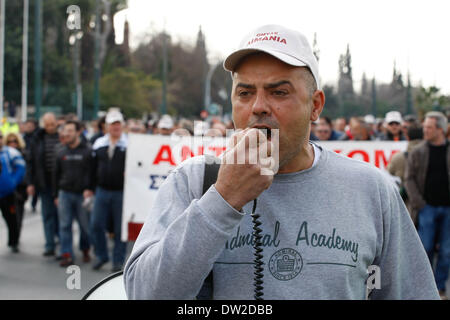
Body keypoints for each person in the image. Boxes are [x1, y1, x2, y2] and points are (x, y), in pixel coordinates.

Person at [124, 24, 439, 300]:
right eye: (245, 93)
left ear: (315, 105)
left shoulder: (371, 189)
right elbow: (144, 293)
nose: (259, 107)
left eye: (279, 92)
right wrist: (223, 200)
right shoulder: (192, 181)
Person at [404, 111, 450, 300]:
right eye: (424, 127)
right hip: (427, 208)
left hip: (448, 209)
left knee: (447, 251)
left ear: (440, 129)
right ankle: (424, 287)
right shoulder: (418, 152)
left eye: (429, 127)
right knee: (425, 249)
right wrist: (419, 203)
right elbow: (409, 179)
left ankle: (439, 288)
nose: (425, 130)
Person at [87, 110, 128, 272]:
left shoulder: (129, 143)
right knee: (96, 224)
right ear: (106, 127)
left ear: (122, 125)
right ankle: (102, 255)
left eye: (118, 123)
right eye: (113, 124)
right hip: (102, 190)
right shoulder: (99, 144)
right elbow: (92, 168)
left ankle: (118, 260)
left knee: (119, 228)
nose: (116, 127)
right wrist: (89, 188)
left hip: (121, 192)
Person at [53, 120, 92, 267]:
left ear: (78, 132)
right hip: (65, 194)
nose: (67, 133)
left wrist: (90, 189)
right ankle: (67, 254)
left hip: (82, 195)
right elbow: (55, 175)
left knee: (85, 226)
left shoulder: (87, 151)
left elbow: (92, 173)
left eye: (70, 130)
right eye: (65, 131)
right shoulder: (61, 152)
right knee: (65, 225)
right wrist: (55, 194)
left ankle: (85, 248)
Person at [26, 113, 60, 257]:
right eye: (47, 125)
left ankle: (62, 242)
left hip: (60, 183)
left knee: (60, 216)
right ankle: (49, 245)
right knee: (47, 215)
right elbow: (31, 162)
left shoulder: (62, 136)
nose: (50, 127)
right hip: (44, 182)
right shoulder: (37, 138)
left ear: (56, 123)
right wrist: (30, 183)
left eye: (52, 124)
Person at [387, 124, 423, 225]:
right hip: (428, 203)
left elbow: (389, 173)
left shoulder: (398, 157)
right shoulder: (429, 155)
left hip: (406, 206)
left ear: (407, 137)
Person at [0, 131, 26, 253]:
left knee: (11, 219)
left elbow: (21, 168)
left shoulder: (10, 152)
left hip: (8, 193)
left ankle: (14, 242)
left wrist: (12, 183)